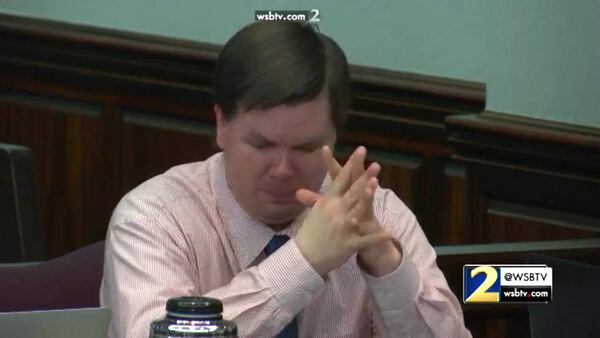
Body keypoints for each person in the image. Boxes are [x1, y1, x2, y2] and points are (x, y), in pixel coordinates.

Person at [100, 21, 471, 338]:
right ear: (221, 125)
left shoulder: (378, 216)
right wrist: (303, 262)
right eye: (261, 145)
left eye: (307, 148)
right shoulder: (153, 217)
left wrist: (385, 266)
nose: (281, 169)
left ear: (334, 139)